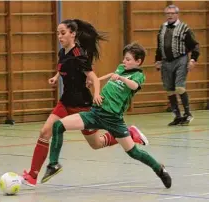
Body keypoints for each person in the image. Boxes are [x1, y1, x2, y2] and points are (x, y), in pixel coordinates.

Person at [22, 19, 148, 187]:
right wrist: (56, 76)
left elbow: (94, 78)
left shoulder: (80, 54)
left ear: (73, 34)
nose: (59, 36)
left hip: (82, 104)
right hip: (65, 102)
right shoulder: (62, 52)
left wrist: (96, 94)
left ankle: (129, 134)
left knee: (97, 144)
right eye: (58, 33)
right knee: (45, 132)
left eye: (63, 33)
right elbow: (63, 67)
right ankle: (32, 175)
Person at [41, 42, 172, 189]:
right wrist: (94, 80)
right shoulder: (121, 68)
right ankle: (53, 164)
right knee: (59, 125)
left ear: (138, 61)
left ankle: (159, 169)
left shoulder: (138, 75)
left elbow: (134, 86)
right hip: (96, 113)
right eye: (124, 58)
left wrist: (122, 79)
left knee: (134, 152)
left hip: (114, 119)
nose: (124, 61)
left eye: (128, 59)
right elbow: (111, 76)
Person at [155, 5, 200, 126]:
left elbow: (194, 45)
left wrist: (193, 60)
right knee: (169, 90)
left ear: (177, 14)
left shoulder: (184, 28)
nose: (169, 15)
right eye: (167, 13)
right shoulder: (162, 28)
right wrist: (158, 60)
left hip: (180, 59)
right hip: (166, 62)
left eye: (172, 13)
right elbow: (159, 46)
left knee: (179, 87)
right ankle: (177, 116)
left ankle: (187, 114)